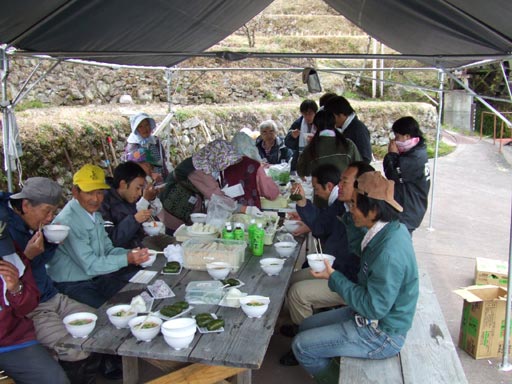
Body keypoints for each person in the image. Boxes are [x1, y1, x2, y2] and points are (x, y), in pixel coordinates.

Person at [292, 171, 419, 383]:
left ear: (374, 210)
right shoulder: (386, 230)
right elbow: (359, 253)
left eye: (355, 206)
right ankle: (335, 358)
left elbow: (373, 307)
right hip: (366, 315)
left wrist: (334, 278)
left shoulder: (388, 252)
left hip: (382, 333)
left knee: (301, 345)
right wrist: (350, 221)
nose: (351, 211)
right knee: (306, 326)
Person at [0, 177, 100, 383]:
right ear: (25, 205)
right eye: (47, 211)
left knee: (101, 326)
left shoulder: (30, 223)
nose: (49, 218)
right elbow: (14, 283)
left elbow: (36, 265)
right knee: (75, 349)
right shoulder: (5, 230)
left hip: (51, 295)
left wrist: (51, 244)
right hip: (31, 308)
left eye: (53, 212)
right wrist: (28, 255)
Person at [279, 162, 374, 366]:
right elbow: (322, 226)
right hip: (336, 269)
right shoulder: (343, 206)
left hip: (349, 280)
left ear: (360, 186)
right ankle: (302, 326)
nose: (338, 186)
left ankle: (304, 344)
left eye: (344, 182)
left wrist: (333, 273)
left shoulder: (364, 219)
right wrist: (303, 203)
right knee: (292, 279)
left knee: (297, 293)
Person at [46, 164, 150, 309]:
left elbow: (107, 249)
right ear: (75, 192)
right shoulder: (68, 222)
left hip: (98, 277)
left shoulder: (95, 214)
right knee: (111, 312)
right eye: (89, 192)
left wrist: (131, 254)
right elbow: (90, 265)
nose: (96, 199)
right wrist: (127, 259)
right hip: (73, 284)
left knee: (141, 298)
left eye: (100, 192)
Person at [0, 214, 70, 384]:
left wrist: (16, 289)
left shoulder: (9, 253)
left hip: (11, 340)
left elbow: (29, 304)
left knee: (56, 380)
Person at [383, 116, 430, 233]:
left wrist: (392, 155)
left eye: (397, 136)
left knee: (400, 243)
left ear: (407, 136)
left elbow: (392, 175)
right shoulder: (417, 151)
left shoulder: (414, 157)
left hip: (407, 211)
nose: (395, 140)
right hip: (412, 208)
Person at [100, 161, 157, 248]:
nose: (139, 193)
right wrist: (134, 220)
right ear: (123, 184)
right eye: (137, 188)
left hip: (138, 247)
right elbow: (110, 241)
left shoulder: (128, 196)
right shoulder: (103, 202)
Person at [297, 109, 361, 180]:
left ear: (315, 126)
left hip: (321, 190)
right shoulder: (348, 144)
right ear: (334, 124)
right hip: (345, 188)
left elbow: (301, 172)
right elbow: (360, 168)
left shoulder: (310, 149)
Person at [229, 132, 280, 208]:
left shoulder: (227, 165)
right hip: (251, 209)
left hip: (230, 207)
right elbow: (271, 193)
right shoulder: (254, 165)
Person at [324, 95, 372, 163]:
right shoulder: (343, 128)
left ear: (341, 115)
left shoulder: (358, 129)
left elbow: (366, 158)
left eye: (332, 117)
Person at [123, 112, 168, 181]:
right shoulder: (133, 146)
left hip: (160, 179)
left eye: (147, 125)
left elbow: (162, 160)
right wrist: (151, 174)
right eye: (140, 126)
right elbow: (134, 165)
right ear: (136, 129)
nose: (145, 129)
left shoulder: (155, 141)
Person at [284, 99, 318, 171]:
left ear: (315, 112)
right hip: (300, 160)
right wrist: (292, 136)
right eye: (305, 114)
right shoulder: (298, 123)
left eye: (310, 113)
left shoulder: (321, 122)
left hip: (318, 160)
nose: (308, 117)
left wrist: (317, 140)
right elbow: (287, 143)